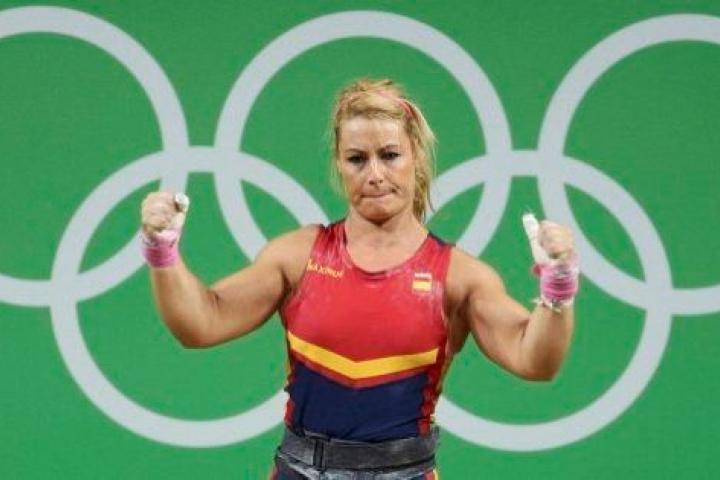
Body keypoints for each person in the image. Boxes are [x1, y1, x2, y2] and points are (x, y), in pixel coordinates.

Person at [139, 79, 578, 479]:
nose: (374, 174)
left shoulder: (460, 277)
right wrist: (162, 252)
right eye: (356, 159)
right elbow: (202, 323)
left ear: (415, 157)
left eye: (389, 155)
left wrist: (557, 288)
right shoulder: (298, 256)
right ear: (339, 163)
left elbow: (534, 360)